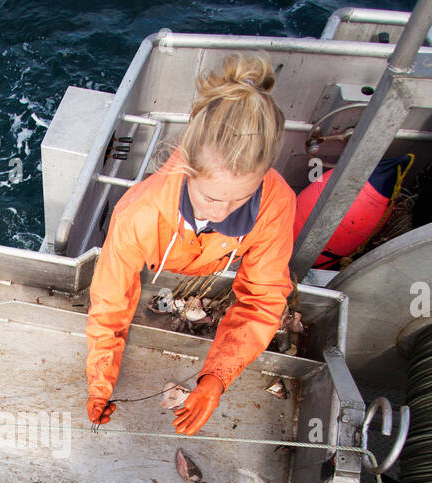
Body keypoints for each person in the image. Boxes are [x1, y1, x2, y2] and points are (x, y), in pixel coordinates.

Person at [86, 51, 295, 436]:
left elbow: (263, 300)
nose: (225, 213)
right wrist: (100, 385)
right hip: (166, 257)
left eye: (241, 199)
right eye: (213, 199)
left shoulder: (276, 202)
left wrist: (216, 378)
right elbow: (110, 301)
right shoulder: (138, 214)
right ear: (186, 170)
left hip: (212, 266)